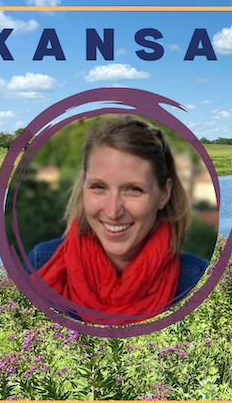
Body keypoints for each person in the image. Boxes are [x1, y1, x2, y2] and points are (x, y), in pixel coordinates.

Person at [27, 115, 208, 324]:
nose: (113, 211)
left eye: (133, 189)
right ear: (84, 187)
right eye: (99, 187)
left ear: (163, 194)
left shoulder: (196, 281)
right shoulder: (41, 263)